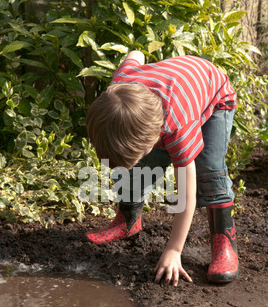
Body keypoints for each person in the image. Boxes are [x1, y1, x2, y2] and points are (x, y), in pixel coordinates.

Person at [84, 51, 239, 286]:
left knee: (210, 171)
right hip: (172, 92)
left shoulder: (179, 127)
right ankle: (128, 220)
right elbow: (135, 54)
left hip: (215, 98)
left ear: (157, 136)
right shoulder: (119, 85)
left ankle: (224, 240)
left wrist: (174, 249)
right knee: (142, 167)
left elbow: (186, 195)